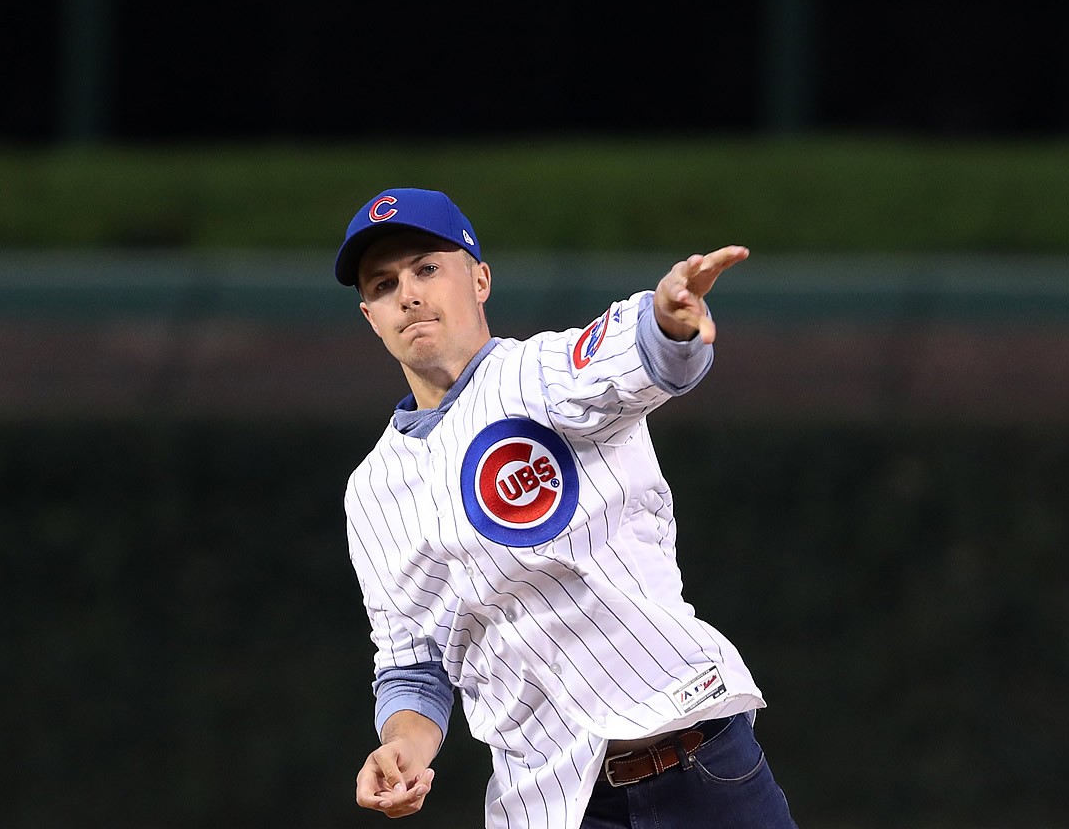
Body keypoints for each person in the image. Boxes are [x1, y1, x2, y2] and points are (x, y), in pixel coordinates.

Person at [337, 188, 796, 829]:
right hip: (551, 807)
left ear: (479, 280)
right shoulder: (372, 491)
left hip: (698, 770)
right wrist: (403, 748)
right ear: (370, 315)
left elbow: (641, 355)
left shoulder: (542, 374)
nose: (408, 293)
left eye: (426, 268)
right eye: (384, 284)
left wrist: (668, 317)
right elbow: (413, 662)